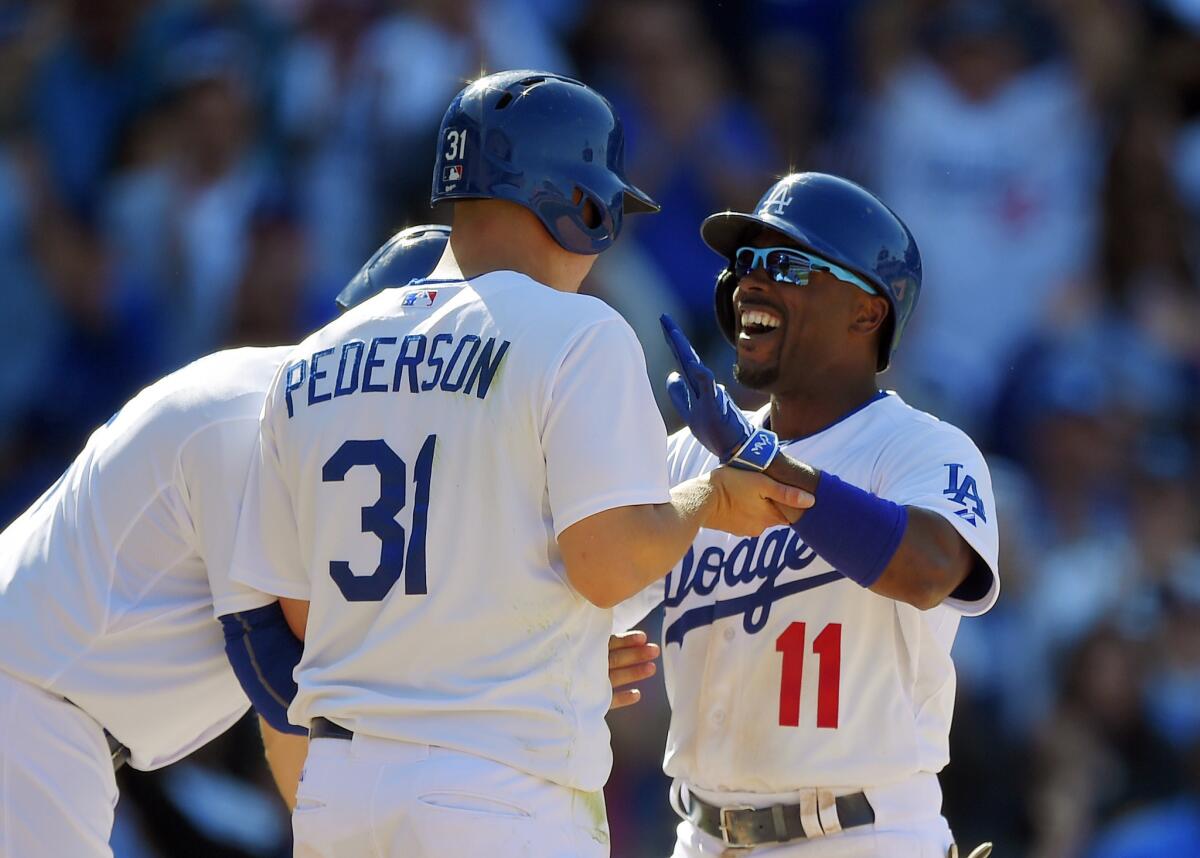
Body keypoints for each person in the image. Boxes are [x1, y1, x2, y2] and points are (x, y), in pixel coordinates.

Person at [227, 69, 809, 858]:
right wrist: (708, 497)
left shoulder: (310, 359)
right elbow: (609, 567)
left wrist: (534, 656)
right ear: (585, 209)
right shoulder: (578, 333)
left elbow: (300, 616)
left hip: (340, 791)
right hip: (494, 792)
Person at [0, 225, 455, 858]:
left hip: (51, 720)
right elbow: (278, 677)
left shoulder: (325, 434)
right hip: (28, 705)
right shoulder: (249, 416)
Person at [616, 172, 1000, 857]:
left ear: (866, 313)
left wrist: (759, 457)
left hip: (863, 834)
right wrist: (577, 656)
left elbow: (932, 570)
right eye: (746, 264)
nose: (751, 284)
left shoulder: (922, 448)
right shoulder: (684, 458)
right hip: (701, 837)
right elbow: (588, 599)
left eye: (787, 264)